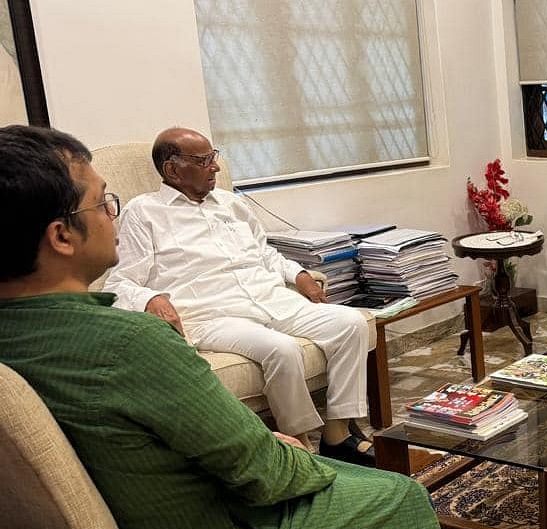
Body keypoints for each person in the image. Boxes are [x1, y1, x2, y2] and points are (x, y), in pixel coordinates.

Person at [0, 124, 440, 529]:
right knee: (406, 499)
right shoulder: (132, 344)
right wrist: (288, 451)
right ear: (61, 236)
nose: (112, 213)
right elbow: (261, 475)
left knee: (339, 334)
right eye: (103, 202)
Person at [102, 127, 374, 465]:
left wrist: (298, 274)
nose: (215, 167)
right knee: (282, 349)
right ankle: (300, 446)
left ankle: (337, 435)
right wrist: (150, 299)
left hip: (269, 297)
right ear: (172, 170)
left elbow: (265, 253)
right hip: (213, 313)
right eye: (203, 161)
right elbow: (119, 281)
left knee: (351, 324)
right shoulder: (144, 212)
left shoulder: (232, 204)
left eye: (213, 157)